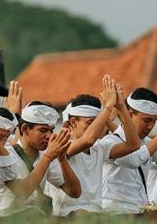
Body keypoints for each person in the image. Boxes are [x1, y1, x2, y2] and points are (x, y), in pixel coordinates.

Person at [47, 76, 141, 216]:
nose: (96, 128)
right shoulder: (63, 145)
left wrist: (121, 108)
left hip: (95, 214)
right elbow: (88, 140)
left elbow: (133, 145)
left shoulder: (100, 148)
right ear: (73, 122)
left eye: (97, 123)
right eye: (90, 123)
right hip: (67, 216)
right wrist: (108, 106)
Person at [101, 88, 157, 215]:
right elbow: (133, 160)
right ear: (130, 115)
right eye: (147, 120)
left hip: (139, 214)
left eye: (154, 121)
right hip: (114, 215)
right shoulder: (110, 142)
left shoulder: (148, 143)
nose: (150, 126)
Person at [0, 102, 81, 218]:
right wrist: (48, 157)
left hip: (32, 221)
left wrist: (61, 158)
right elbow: (22, 192)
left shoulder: (45, 156)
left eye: (51, 130)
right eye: (43, 130)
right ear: (25, 129)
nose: (49, 136)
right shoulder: (4, 154)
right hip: (1, 222)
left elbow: (75, 192)